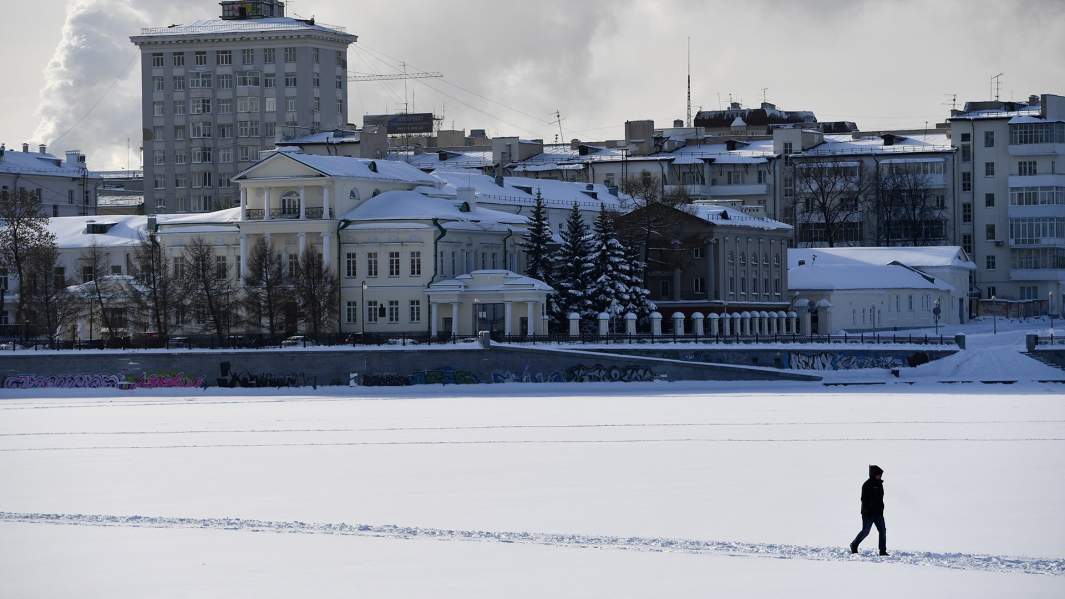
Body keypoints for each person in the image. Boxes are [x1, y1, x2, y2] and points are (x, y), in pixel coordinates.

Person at [850, 465, 888, 556]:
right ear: (873, 474)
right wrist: (868, 511)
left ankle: (882, 551)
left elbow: (880, 499)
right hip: (868, 514)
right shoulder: (867, 484)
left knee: (882, 530)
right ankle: (854, 544)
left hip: (878, 513)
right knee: (866, 531)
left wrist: (881, 509)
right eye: (878, 474)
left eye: (880, 475)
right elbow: (864, 500)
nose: (880, 476)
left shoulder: (879, 484)